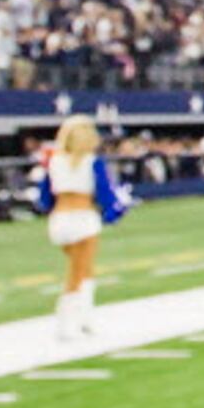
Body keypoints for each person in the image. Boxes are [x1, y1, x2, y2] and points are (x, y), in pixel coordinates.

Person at [32, 115, 129, 338]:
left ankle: (86, 318)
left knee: (84, 269)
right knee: (77, 273)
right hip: (83, 220)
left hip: (59, 221)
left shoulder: (54, 161)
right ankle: (66, 323)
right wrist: (116, 210)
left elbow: (44, 198)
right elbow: (106, 195)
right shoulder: (92, 162)